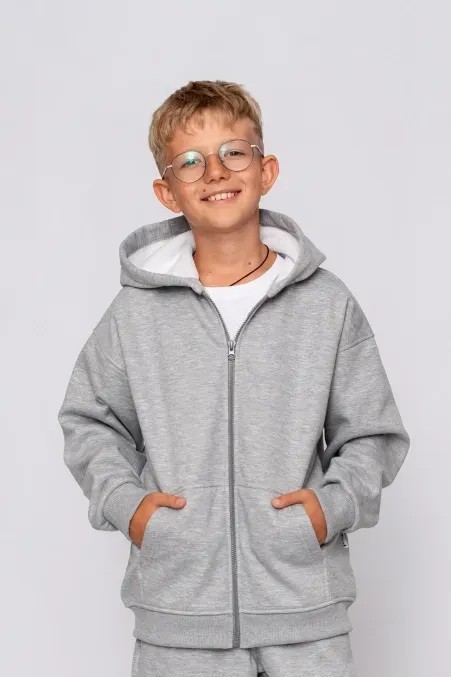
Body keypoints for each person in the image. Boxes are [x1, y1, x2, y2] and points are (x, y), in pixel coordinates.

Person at [58, 80, 410, 677]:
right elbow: (90, 420)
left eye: (233, 152)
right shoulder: (135, 313)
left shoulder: (326, 304)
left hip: (306, 612)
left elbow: (372, 433)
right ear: (167, 191)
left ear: (266, 171)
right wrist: (129, 506)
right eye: (190, 162)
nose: (215, 171)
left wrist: (329, 509)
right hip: (178, 616)